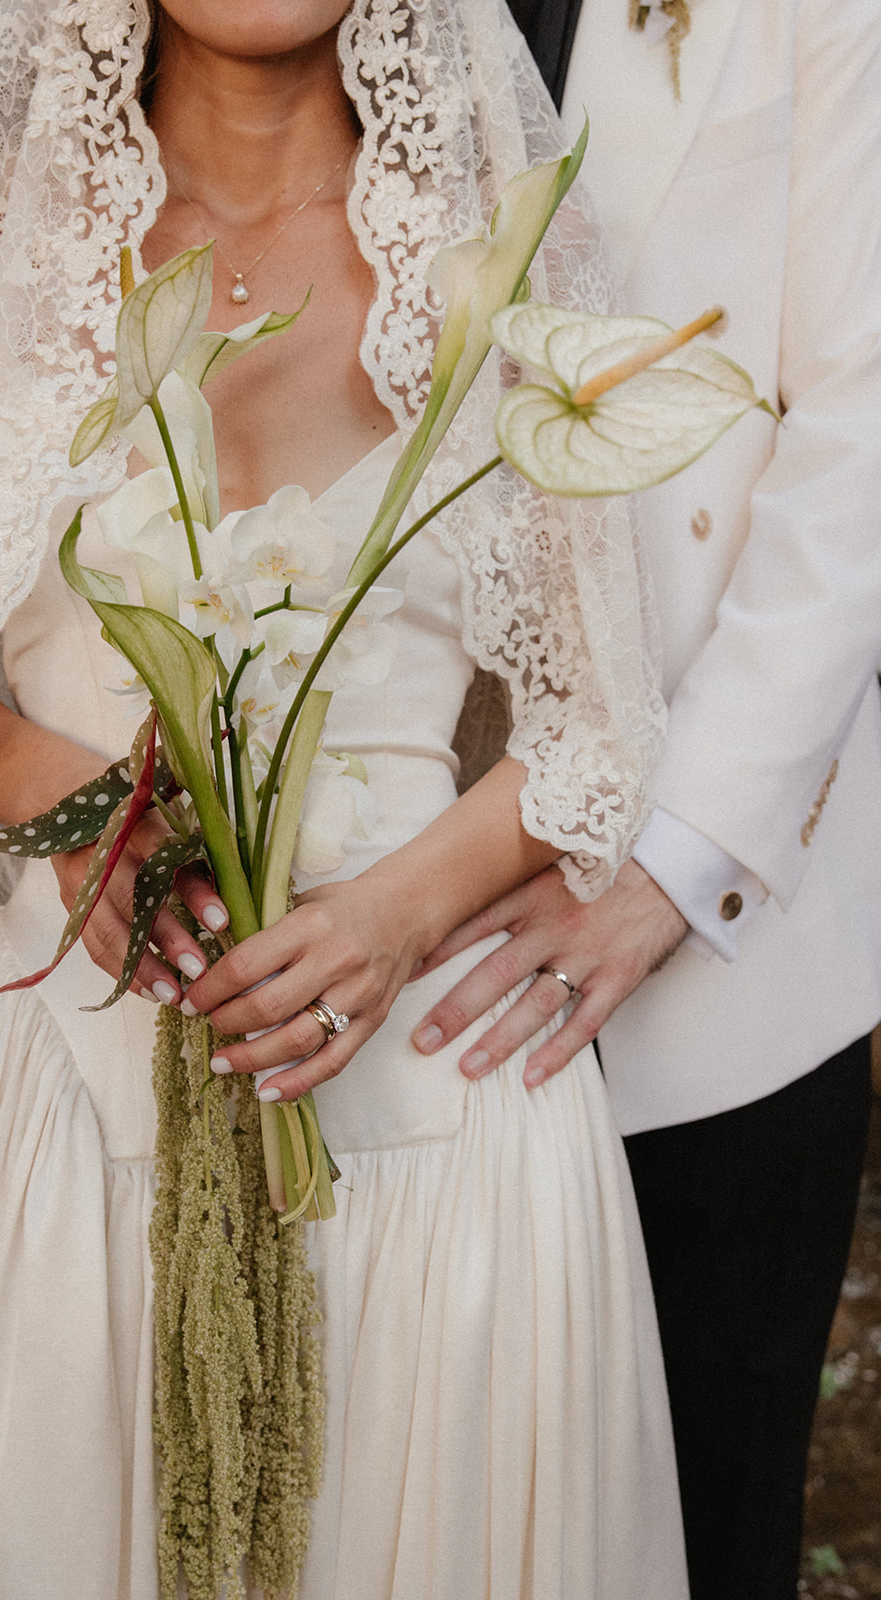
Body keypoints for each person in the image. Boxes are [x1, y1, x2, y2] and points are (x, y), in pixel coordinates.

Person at [0, 1, 693, 1595]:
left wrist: (393, 911)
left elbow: (592, 716)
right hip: (68, 1103)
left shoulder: (501, 236)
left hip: (437, 1089)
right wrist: (98, 824)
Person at [412, 1, 881, 1596]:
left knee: (696, 1518)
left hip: (716, 953)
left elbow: (862, 425)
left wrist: (672, 864)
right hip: (366, 893)